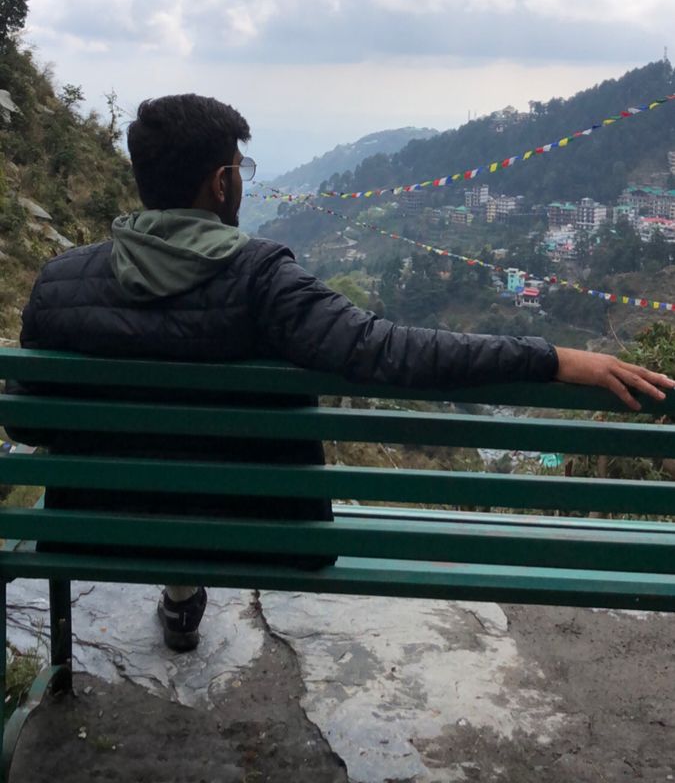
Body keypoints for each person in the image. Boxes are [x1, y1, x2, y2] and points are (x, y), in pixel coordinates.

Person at [15, 93, 675, 651]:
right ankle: (183, 585)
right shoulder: (261, 279)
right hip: (266, 534)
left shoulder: (59, 282)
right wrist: (555, 357)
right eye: (239, 168)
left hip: (93, 525)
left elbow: (23, 417)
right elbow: (393, 353)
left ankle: (180, 592)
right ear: (221, 184)